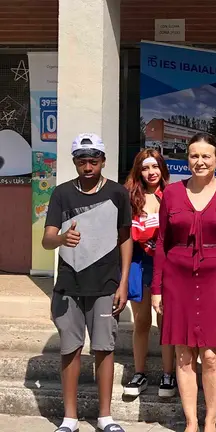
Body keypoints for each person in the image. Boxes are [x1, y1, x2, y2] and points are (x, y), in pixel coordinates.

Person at [151, 133, 216, 432]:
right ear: (187, 159)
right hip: (177, 281)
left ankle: (210, 422)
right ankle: (191, 422)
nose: (200, 161)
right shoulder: (171, 194)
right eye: (194, 156)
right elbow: (162, 243)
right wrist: (156, 289)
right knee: (182, 355)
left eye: (206, 156)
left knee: (210, 356)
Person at [43, 133, 131, 432]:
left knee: (104, 348)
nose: (88, 166)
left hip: (106, 284)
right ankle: (69, 418)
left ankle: (105, 417)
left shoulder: (118, 193)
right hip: (69, 284)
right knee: (70, 349)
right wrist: (61, 238)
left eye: (94, 161)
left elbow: (125, 238)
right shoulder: (61, 194)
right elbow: (46, 240)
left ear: (103, 161)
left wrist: (123, 283)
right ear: (75, 163)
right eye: (82, 161)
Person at [122, 149, 176, 398]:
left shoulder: (172, 195)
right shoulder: (129, 196)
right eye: (145, 168)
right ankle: (139, 372)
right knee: (141, 321)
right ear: (138, 171)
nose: (151, 172)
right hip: (137, 262)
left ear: (162, 168)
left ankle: (168, 374)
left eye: (155, 167)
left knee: (165, 320)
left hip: (165, 264)